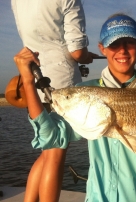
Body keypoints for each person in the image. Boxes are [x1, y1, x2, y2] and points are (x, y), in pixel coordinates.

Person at [13, 13, 136, 201]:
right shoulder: (83, 91)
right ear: (102, 48)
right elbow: (51, 137)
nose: (122, 50)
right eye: (114, 44)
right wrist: (28, 82)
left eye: (129, 43)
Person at [11, 0, 98, 201]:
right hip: (60, 84)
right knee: (56, 153)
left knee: (47, 151)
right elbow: (77, 50)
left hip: (33, 80)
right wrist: (85, 57)